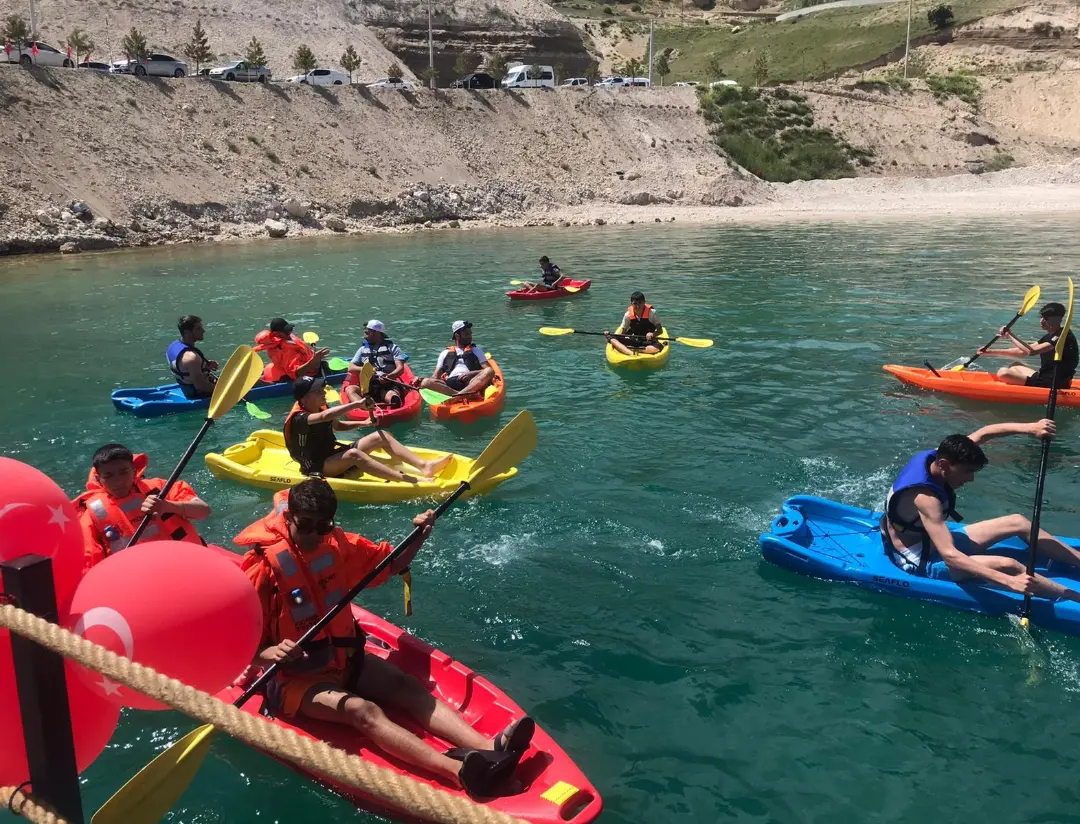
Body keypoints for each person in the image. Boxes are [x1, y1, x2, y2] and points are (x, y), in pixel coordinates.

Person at [234, 478, 535, 796]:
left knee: (407, 687)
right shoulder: (261, 569)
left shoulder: (338, 546)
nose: (314, 535)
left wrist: (420, 535)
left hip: (345, 659)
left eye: (322, 527)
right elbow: (236, 644)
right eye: (305, 526)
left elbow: (392, 564)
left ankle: (490, 747)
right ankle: (459, 771)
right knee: (362, 711)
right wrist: (270, 654)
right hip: (296, 680)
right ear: (289, 517)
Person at [882, 419, 1080, 602]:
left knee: (1018, 522)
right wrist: (1009, 581)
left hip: (933, 542)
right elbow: (951, 557)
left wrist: (1031, 428)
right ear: (943, 465)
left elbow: (985, 433)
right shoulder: (926, 499)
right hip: (921, 559)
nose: (970, 479)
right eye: (967, 471)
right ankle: (1072, 598)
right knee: (1009, 565)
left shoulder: (942, 455)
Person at [285, 376, 450, 483]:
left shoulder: (320, 407)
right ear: (305, 398)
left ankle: (424, 466)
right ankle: (409, 479)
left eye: (322, 389)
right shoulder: (300, 418)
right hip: (318, 466)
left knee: (381, 435)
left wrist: (364, 424)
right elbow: (324, 418)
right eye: (317, 391)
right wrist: (357, 404)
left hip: (333, 455)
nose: (323, 392)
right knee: (353, 455)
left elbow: (336, 425)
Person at [73, 443, 211, 570]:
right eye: (108, 476)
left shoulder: (161, 488)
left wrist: (169, 506)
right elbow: (90, 561)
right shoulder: (91, 513)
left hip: (187, 561)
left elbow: (203, 511)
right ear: (98, 479)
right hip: (138, 576)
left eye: (124, 472)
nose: (118, 481)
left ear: (134, 470)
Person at [978, 301, 1078, 388]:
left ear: (1059, 319)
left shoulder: (1062, 336)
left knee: (1002, 373)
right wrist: (989, 352)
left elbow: (1032, 352)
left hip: (1052, 384)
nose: (1041, 321)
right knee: (1015, 366)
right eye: (1041, 317)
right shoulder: (1050, 336)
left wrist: (1010, 335)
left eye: (1046, 318)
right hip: (1044, 377)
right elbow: (1022, 351)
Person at [342, 320, 410, 409]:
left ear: (377, 333)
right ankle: (365, 407)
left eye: (367, 332)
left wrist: (389, 376)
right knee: (350, 389)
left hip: (387, 385)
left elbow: (400, 368)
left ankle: (394, 406)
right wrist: (365, 370)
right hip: (366, 387)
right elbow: (351, 368)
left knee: (392, 396)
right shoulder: (362, 349)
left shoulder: (392, 348)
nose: (364, 334)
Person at [417, 321, 495, 398]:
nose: (470, 336)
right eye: (467, 334)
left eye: (470, 333)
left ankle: (457, 396)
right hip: (450, 385)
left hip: (471, 382)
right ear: (457, 336)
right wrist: (422, 381)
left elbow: (487, 369)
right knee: (425, 382)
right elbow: (435, 376)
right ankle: (463, 395)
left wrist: (471, 374)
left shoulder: (476, 350)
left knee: (489, 371)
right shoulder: (445, 353)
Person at [253, 318, 331, 383]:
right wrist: (313, 361)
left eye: (289, 329)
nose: (290, 332)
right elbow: (295, 373)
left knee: (324, 365)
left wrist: (314, 357)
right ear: (276, 333)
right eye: (286, 330)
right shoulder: (284, 350)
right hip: (305, 374)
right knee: (325, 367)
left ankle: (260, 379)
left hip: (282, 369)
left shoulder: (286, 337)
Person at [166, 315, 218, 399]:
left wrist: (204, 365)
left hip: (186, 388)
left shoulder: (174, 346)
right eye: (198, 329)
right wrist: (225, 390)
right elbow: (201, 386)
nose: (203, 331)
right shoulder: (192, 358)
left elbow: (184, 366)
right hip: (199, 394)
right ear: (187, 332)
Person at [604, 291, 664, 356]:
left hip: (648, 341)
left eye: (640, 303)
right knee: (612, 339)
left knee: (658, 348)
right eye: (635, 303)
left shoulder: (652, 313)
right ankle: (631, 353)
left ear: (644, 302)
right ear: (631, 304)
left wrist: (653, 334)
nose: (638, 306)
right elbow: (622, 333)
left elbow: (660, 331)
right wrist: (609, 335)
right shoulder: (628, 315)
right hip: (635, 339)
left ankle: (631, 350)